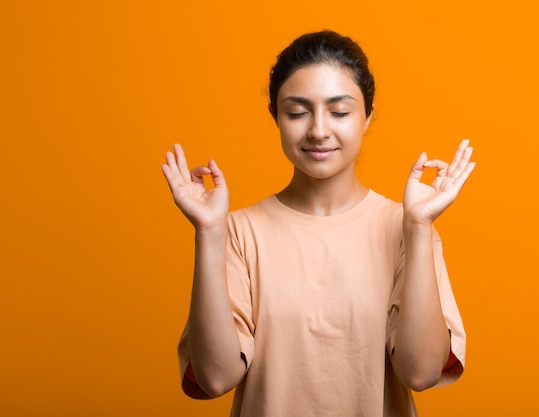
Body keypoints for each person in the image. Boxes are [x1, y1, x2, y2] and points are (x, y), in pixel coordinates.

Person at [161, 30, 475, 417]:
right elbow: (214, 378)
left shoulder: (406, 227)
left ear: (367, 116)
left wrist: (420, 227)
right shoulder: (239, 233)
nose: (319, 130)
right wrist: (209, 233)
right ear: (275, 116)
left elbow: (422, 372)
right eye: (297, 112)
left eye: (340, 111)